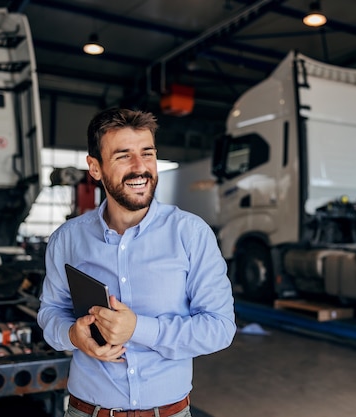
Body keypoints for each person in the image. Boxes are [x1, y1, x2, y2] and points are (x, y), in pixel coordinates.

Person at [37, 108, 236, 417]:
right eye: (123, 156)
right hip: (87, 411)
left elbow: (220, 328)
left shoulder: (191, 234)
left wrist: (138, 329)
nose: (140, 168)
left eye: (147, 153)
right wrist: (72, 335)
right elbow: (50, 313)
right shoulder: (68, 239)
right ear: (95, 168)